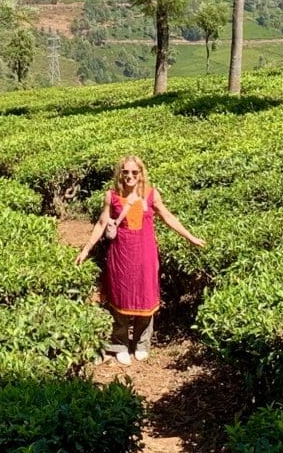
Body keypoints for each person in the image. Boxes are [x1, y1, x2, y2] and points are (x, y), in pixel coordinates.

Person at [75, 154, 204, 365]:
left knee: (146, 296)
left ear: (141, 174)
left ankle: (142, 343)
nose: (130, 176)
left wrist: (190, 237)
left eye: (134, 172)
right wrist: (86, 249)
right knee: (120, 297)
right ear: (120, 173)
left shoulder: (151, 195)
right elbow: (101, 223)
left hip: (145, 253)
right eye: (125, 172)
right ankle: (120, 344)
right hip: (121, 254)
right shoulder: (112, 196)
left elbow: (168, 217)